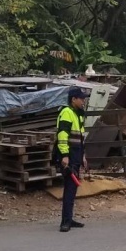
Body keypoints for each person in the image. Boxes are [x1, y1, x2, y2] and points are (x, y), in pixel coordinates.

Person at [55, 86, 89, 232]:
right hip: (68, 157)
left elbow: (81, 138)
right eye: (81, 99)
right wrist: (65, 155)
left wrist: (83, 156)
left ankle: (69, 218)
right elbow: (62, 135)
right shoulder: (67, 113)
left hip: (76, 156)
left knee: (72, 189)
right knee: (69, 188)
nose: (83, 101)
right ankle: (65, 222)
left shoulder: (78, 114)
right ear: (73, 99)